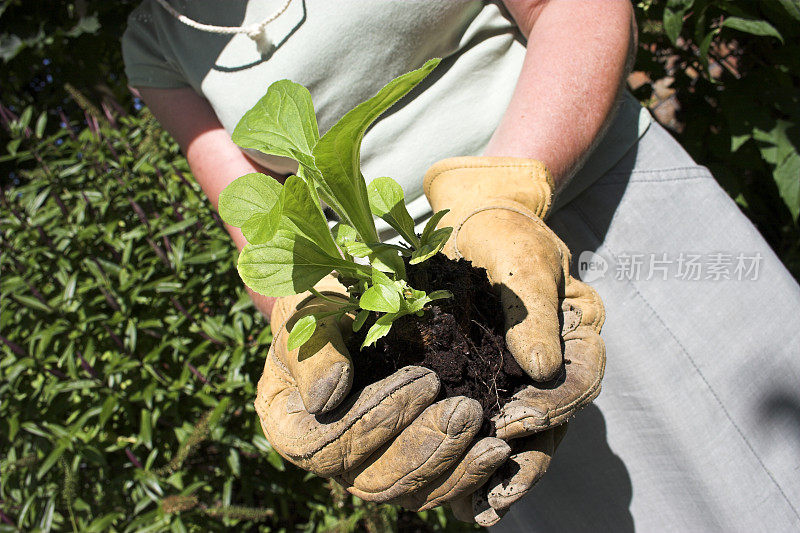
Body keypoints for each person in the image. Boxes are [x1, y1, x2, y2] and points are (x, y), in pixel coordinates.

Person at [122, 1, 800, 530]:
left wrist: (499, 197)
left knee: (768, 463)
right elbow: (259, 227)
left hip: (595, 201)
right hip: (425, 325)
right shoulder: (155, 37)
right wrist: (311, 317)